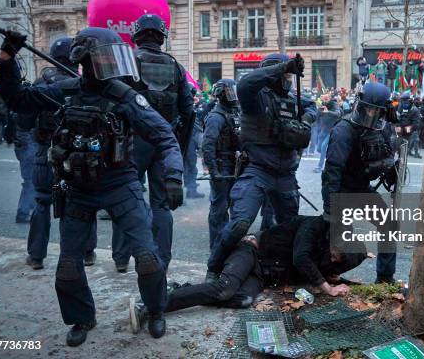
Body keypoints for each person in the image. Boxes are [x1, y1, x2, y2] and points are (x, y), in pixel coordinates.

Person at [0, 27, 184, 345]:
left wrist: (174, 176)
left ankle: (156, 311)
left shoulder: (124, 97)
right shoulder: (65, 92)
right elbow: (17, 99)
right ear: (85, 59)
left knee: (148, 258)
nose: (113, 65)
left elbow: (165, 136)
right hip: (79, 188)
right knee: (69, 265)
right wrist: (6, 59)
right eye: (105, 57)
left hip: (120, 183)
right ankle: (82, 318)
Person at [129, 215, 367, 332]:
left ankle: (179, 291)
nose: (333, 259)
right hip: (251, 250)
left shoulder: (331, 255)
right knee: (225, 289)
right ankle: (151, 303)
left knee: (242, 300)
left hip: (262, 275)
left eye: (338, 260)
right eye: (336, 254)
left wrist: (338, 280)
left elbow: (324, 270)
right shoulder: (314, 226)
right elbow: (300, 258)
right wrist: (327, 287)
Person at [205, 53, 316, 281]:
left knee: (289, 228)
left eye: (288, 74)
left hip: (286, 174)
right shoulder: (254, 98)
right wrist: (285, 66)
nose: (286, 78)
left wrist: (306, 119)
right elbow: (246, 82)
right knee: (240, 224)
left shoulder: (292, 99)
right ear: (272, 73)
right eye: (283, 74)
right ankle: (214, 268)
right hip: (258, 170)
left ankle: (281, 270)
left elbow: (312, 106)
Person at [110, 14, 193, 273]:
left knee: (125, 198)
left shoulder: (127, 62)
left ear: (137, 35)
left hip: (131, 142)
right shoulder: (176, 67)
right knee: (161, 204)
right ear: (161, 37)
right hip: (164, 143)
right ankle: (161, 261)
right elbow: (188, 112)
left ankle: (122, 258)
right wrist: (177, 146)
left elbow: (112, 105)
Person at [26, 37, 97, 270]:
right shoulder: (82, 84)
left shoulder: (40, 84)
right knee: (82, 201)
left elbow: (23, 120)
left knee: (42, 202)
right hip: (75, 153)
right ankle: (86, 253)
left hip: (44, 151)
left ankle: (37, 256)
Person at [322, 82, 399, 284]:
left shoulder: (383, 129)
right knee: (343, 243)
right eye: (368, 109)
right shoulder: (344, 130)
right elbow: (332, 172)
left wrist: (392, 171)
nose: (371, 114)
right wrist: (330, 208)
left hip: (363, 189)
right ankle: (326, 277)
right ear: (360, 105)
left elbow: (387, 158)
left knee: (389, 224)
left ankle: (385, 277)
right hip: (343, 192)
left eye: (376, 111)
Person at [201, 79, 241, 249]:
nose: (233, 95)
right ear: (221, 94)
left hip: (236, 165)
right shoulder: (216, 117)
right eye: (229, 92)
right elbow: (207, 145)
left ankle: (230, 244)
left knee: (237, 207)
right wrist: (213, 170)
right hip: (223, 166)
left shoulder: (235, 113)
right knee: (220, 208)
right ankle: (217, 247)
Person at [12, 108, 37, 224]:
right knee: (31, 182)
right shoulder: (30, 113)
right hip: (29, 146)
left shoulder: (17, 110)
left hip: (22, 146)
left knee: (30, 181)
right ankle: (24, 212)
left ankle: (30, 208)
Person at [314, 95, 341, 173]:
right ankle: (331, 155)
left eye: (327, 99)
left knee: (323, 147)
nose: (325, 100)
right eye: (324, 99)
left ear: (330, 99)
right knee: (319, 148)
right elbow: (317, 116)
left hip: (332, 130)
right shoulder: (322, 105)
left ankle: (320, 166)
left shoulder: (334, 104)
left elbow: (338, 114)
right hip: (324, 130)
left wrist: (328, 112)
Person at [396, 91, 421, 158]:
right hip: (399, 133)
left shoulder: (414, 110)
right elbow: (396, 120)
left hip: (409, 134)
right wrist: (397, 127)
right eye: (403, 100)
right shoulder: (399, 108)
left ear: (410, 101)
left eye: (406, 100)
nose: (404, 102)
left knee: (404, 152)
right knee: (397, 150)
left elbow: (416, 124)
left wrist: (408, 129)